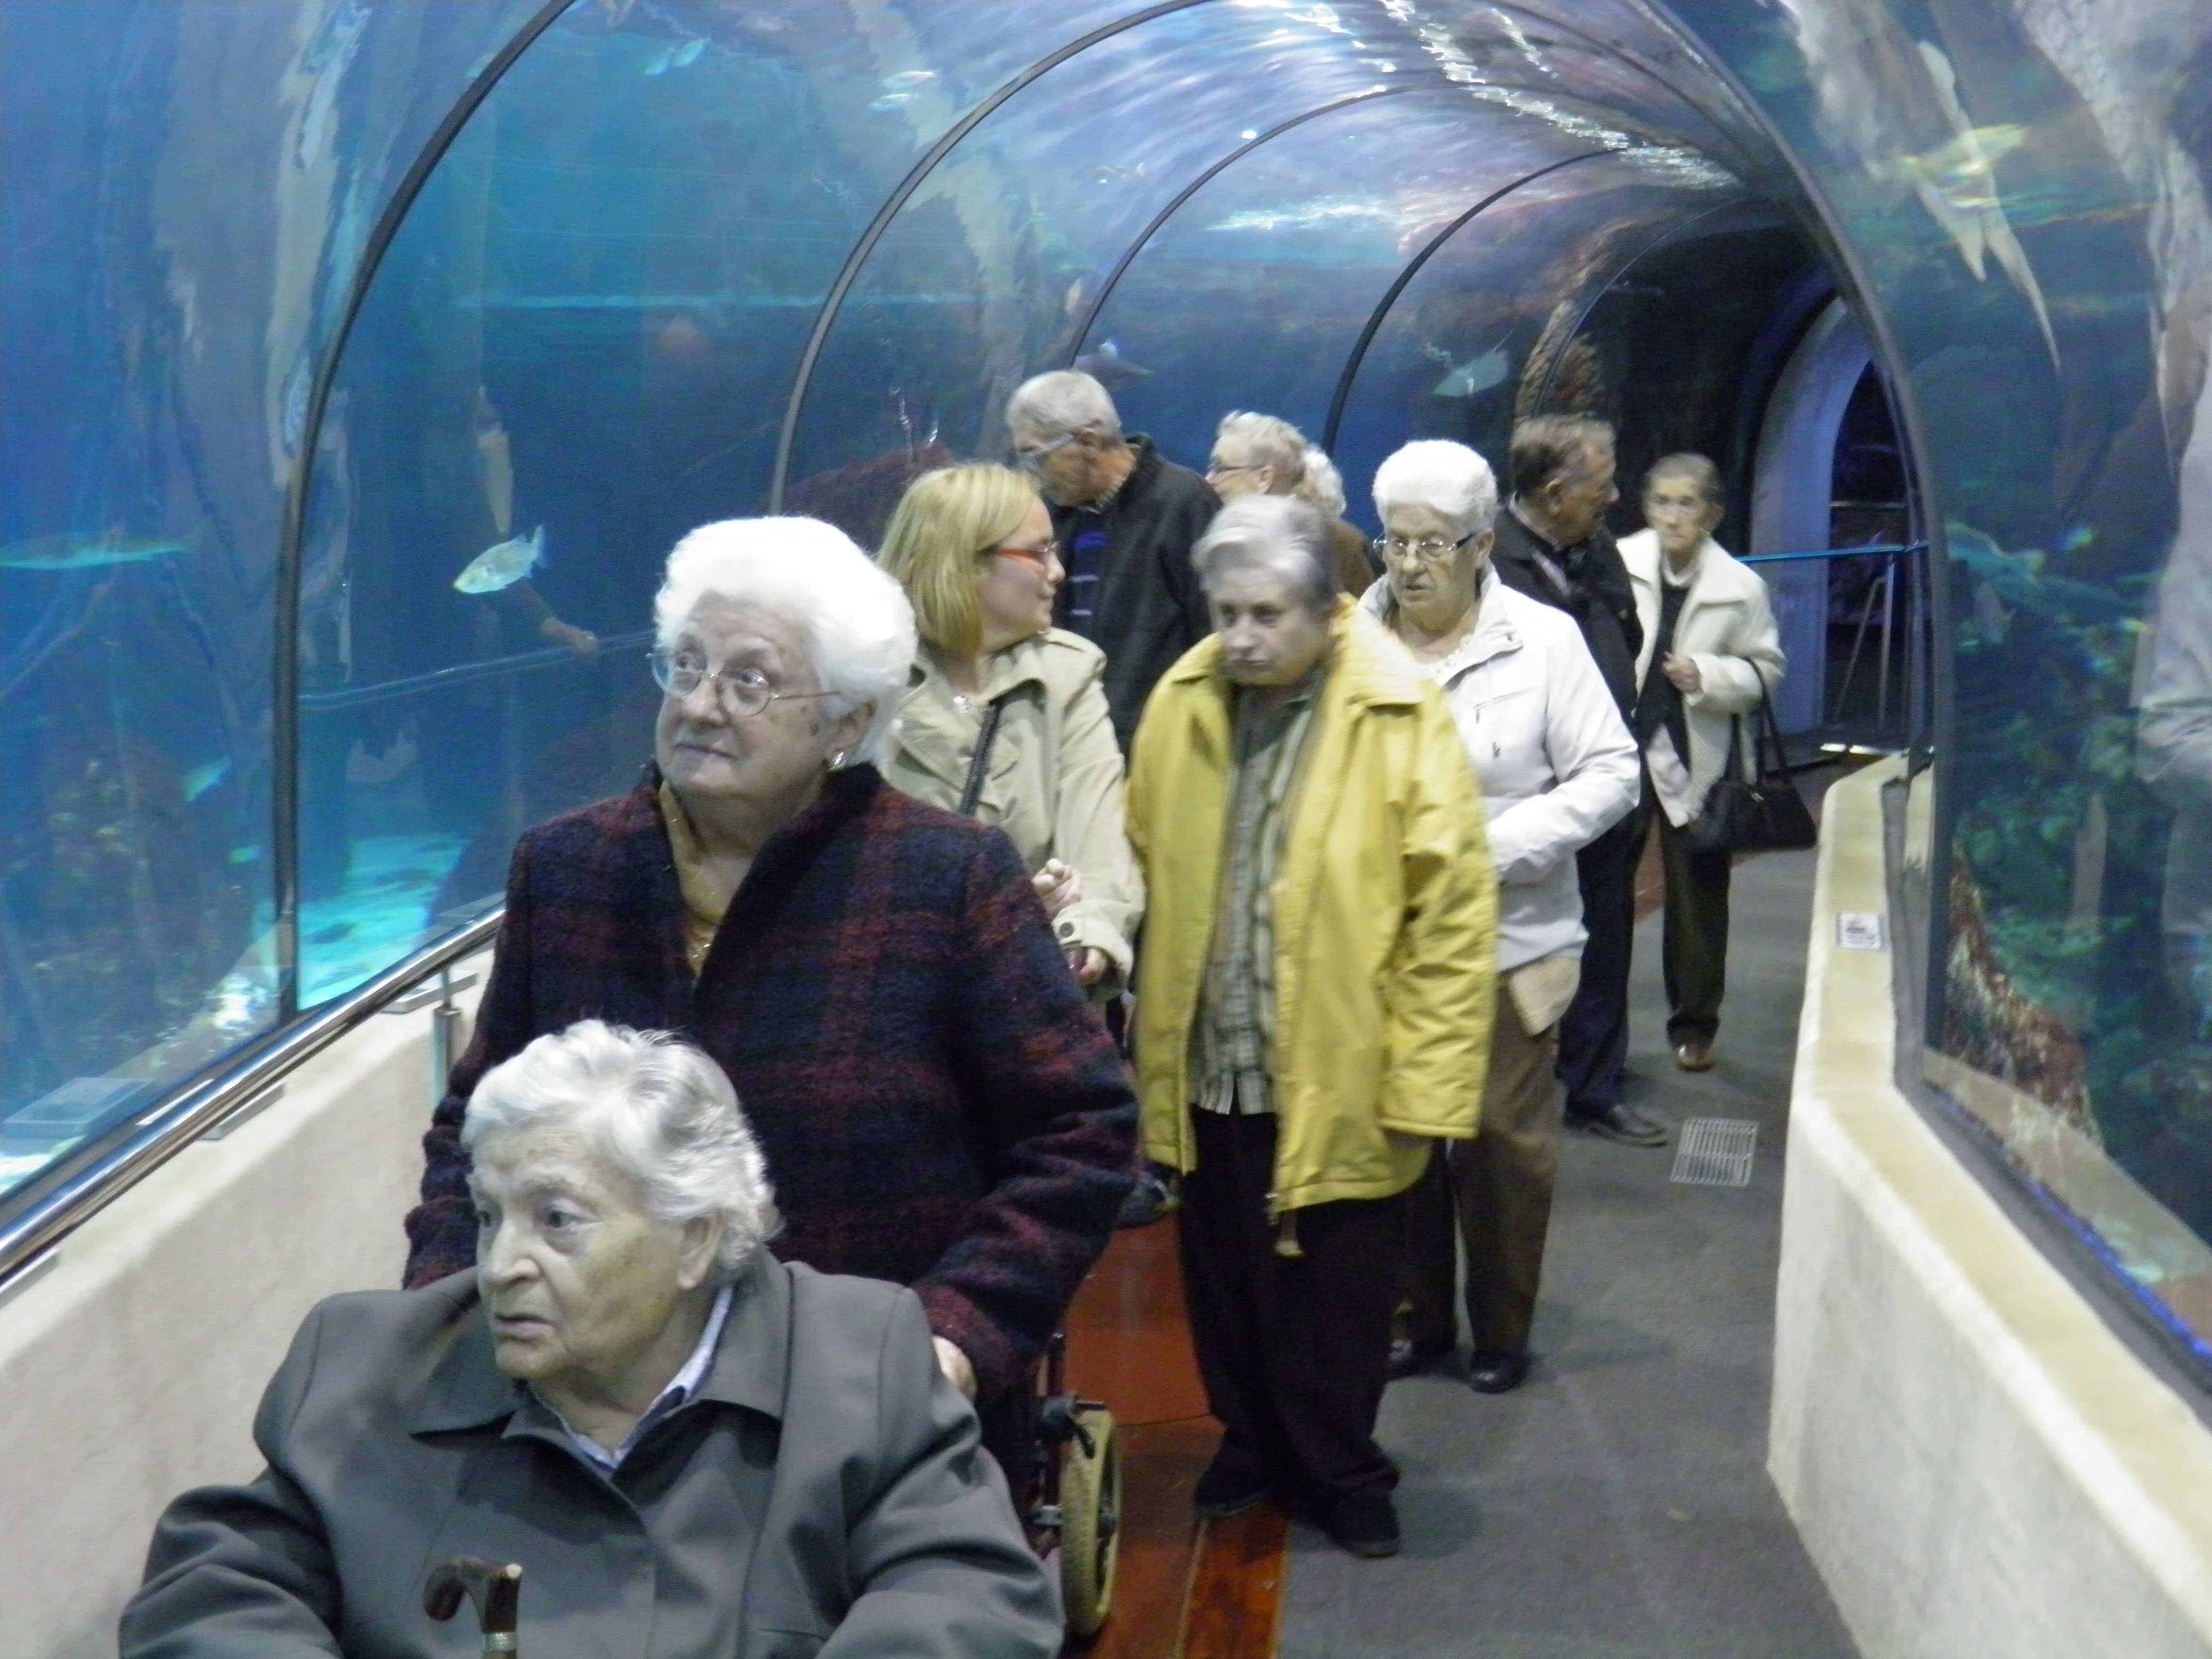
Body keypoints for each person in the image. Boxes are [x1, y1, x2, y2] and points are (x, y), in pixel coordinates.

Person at [402, 515, 1137, 1479]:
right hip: (593, 1414)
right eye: (686, 665)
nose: (702, 704)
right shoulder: (569, 867)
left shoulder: (944, 879)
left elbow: (1078, 1131)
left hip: (870, 1417)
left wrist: (956, 1334)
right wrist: (453, 1304)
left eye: (749, 680)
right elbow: (476, 1126)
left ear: (844, 720)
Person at [126, 1022, 1062, 1659]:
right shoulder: (366, 1365)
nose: (500, 1266)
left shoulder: (859, 1361)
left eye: (558, 1221)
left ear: (695, 1238)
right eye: (492, 1216)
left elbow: (966, 1594)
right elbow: (215, 1588)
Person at [1124, 494, 1496, 1559]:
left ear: (1327, 611)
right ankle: (1248, 1442)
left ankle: (1341, 1468)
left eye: (1264, 614)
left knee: (1338, 1295)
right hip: (1210, 1064)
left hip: (1342, 1068)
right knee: (1227, 1279)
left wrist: (1425, 1090)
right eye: (1224, 610)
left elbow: (1450, 916)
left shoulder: (1396, 713)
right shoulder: (1181, 702)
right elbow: (1145, 853)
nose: (1238, 636)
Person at [1361, 441, 1638, 1395]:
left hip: (1502, 941)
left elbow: (1612, 773)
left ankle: (1501, 1328)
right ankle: (1414, 1318)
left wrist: (1494, 848)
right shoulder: (1347, 641)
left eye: (1432, 543)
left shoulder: (1544, 640)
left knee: (1496, 1144)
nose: (1408, 565)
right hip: (1374, 946)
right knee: (1394, 1140)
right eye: (1394, 540)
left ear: (1482, 543)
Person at [877, 463, 1142, 994]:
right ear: (965, 563)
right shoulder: (867, 681)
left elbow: (1099, 846)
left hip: (1025, 1000)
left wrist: (1084, 938)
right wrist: (1006, 913)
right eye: (1039, 551)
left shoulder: (1067, 676)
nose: (1059, 571)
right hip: (891, 996)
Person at [1490, 413, 1667, 1148]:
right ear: (1556, 491)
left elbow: (1625, 639)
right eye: (1601, 486)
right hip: (1525, 805)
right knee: (1517, 953)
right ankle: (1510, 1091)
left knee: (1607, 942)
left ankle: (1595, 1088)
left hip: (1602, 796)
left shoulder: (1597, 551)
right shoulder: (1491, 563)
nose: (1615, 495)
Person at [1619, 453, 1786, 1071]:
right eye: (1661, 501)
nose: (1671, 516)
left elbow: (1766, 673)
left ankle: (1694, 1025)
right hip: (1620, 749)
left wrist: (1707, 675)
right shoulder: (1621, 562)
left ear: (1712, 513)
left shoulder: (1741, 587)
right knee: (1604, 890)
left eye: (1686, 503)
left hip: (1698, 762)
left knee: (1696, 901)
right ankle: (1591, 1022)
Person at [1005, 369, 1217, 750]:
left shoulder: (1181, 502)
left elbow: (1214, 635)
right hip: (1068, 741)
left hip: (1158, 746)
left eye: (1036, 457)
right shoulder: (1050, 515)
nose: (1031, 475)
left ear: (1088, 441)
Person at [1205, 410, 1375, 595]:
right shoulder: (1215, 540)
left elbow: (1364, 621)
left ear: (1264, 478)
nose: (1209, 480)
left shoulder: (1337, 544)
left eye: (1220, 468)